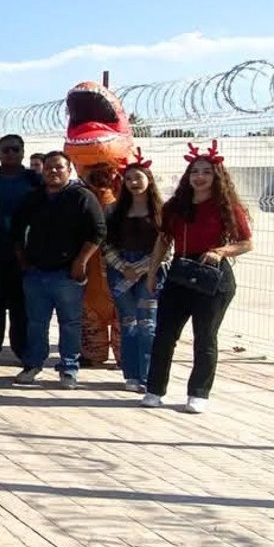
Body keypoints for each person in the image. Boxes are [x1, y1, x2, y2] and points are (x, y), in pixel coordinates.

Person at [142, 142, 252, 414]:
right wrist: (152, 272)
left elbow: (246, 242)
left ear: (217, 177)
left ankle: (198, 394)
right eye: (194, 172)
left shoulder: (228, 207)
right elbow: (163, 240)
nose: (199, 177)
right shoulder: (174, 207)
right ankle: (154, 390)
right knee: (164, 335)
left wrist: (221, 251)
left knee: (205, 337)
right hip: (179, 274)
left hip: (213, 278)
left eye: (206, 172)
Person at [13, 151, 106, 388]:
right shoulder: (33, 198)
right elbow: (16, 229)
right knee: (35, 322)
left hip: (67, 274)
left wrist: (81, 261)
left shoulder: (81, 196)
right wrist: (23, 259)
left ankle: (68, 369)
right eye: (49, 168)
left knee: (70, 323)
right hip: (36, 274)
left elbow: (98, 231)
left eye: (59, 167)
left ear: (69, 170)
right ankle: (33, 365)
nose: (53, 171)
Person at [0, 135, 43, 367]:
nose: (10, 154)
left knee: (21, 307)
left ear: (23, 152)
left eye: (15, 149)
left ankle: (23, 350)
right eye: (6, 150)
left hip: (24, 254)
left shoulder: (35, 180)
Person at [102, 152, 163, 393]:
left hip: (151, 272)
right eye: (128, 179)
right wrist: (124, 267)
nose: (133, 183)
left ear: (149, 179)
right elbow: (105, 243)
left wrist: (141, 269)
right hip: (120, 270)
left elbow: (167, 245)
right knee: (128, 323)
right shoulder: (113, 211)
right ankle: (131, 375)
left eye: (138, 178)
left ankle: (148, 376)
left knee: (148, 325)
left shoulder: (162, 211)